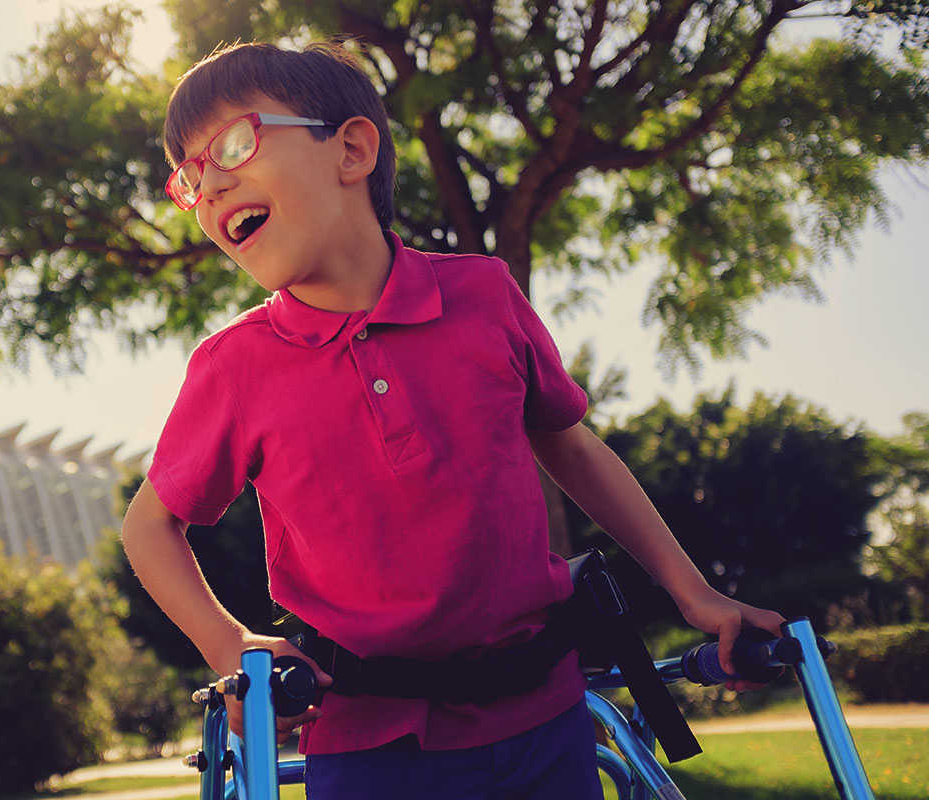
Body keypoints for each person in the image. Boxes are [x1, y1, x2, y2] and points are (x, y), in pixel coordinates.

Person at [121, 40, 785, 799]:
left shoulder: (484, 294)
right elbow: (150, 526)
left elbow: (571, 448)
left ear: (352, 149)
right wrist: (232, 644)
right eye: (191, 175)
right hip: (368, 741)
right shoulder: (234, 366)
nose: (208, 186)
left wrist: (695, 594)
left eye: (233, 144)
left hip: (545, 711)